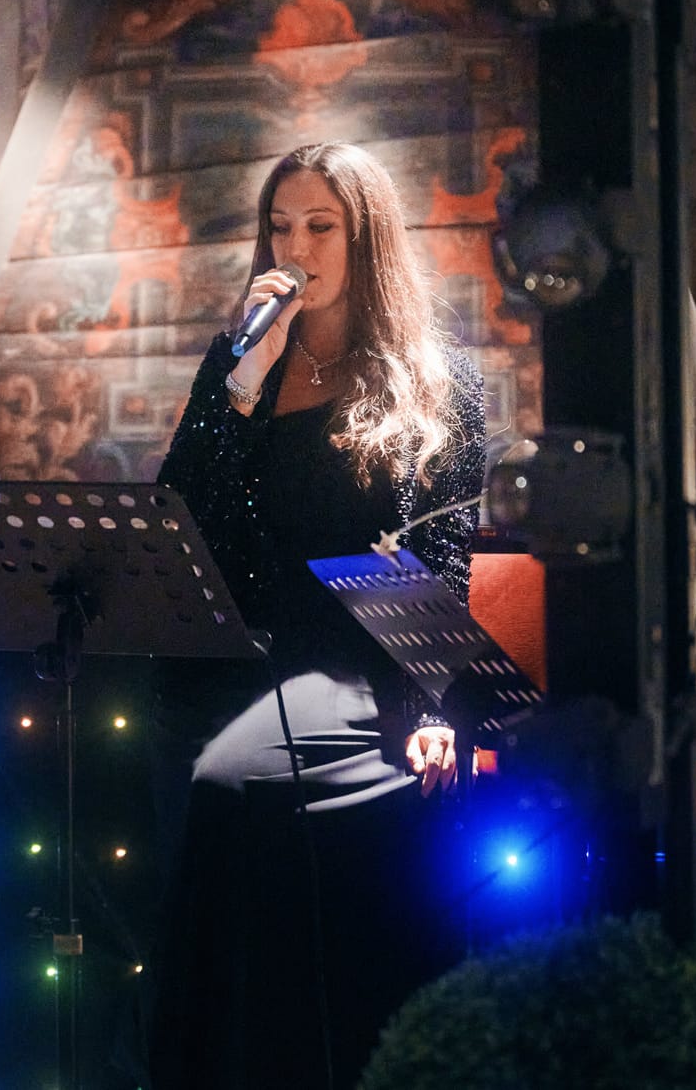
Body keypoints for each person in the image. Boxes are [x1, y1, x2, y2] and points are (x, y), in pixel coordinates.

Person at [146, 141, 486, 1090]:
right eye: (280, 227)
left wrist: (433, 708)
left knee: (238, 791)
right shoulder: (238, 365)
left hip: (364, 667)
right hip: (241, 660)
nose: (295, 249)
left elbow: (444, 556)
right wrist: (242, 384)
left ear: (365, 238)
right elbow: (184, 518)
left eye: (320, 227)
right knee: (191, 772)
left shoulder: (439, 381)